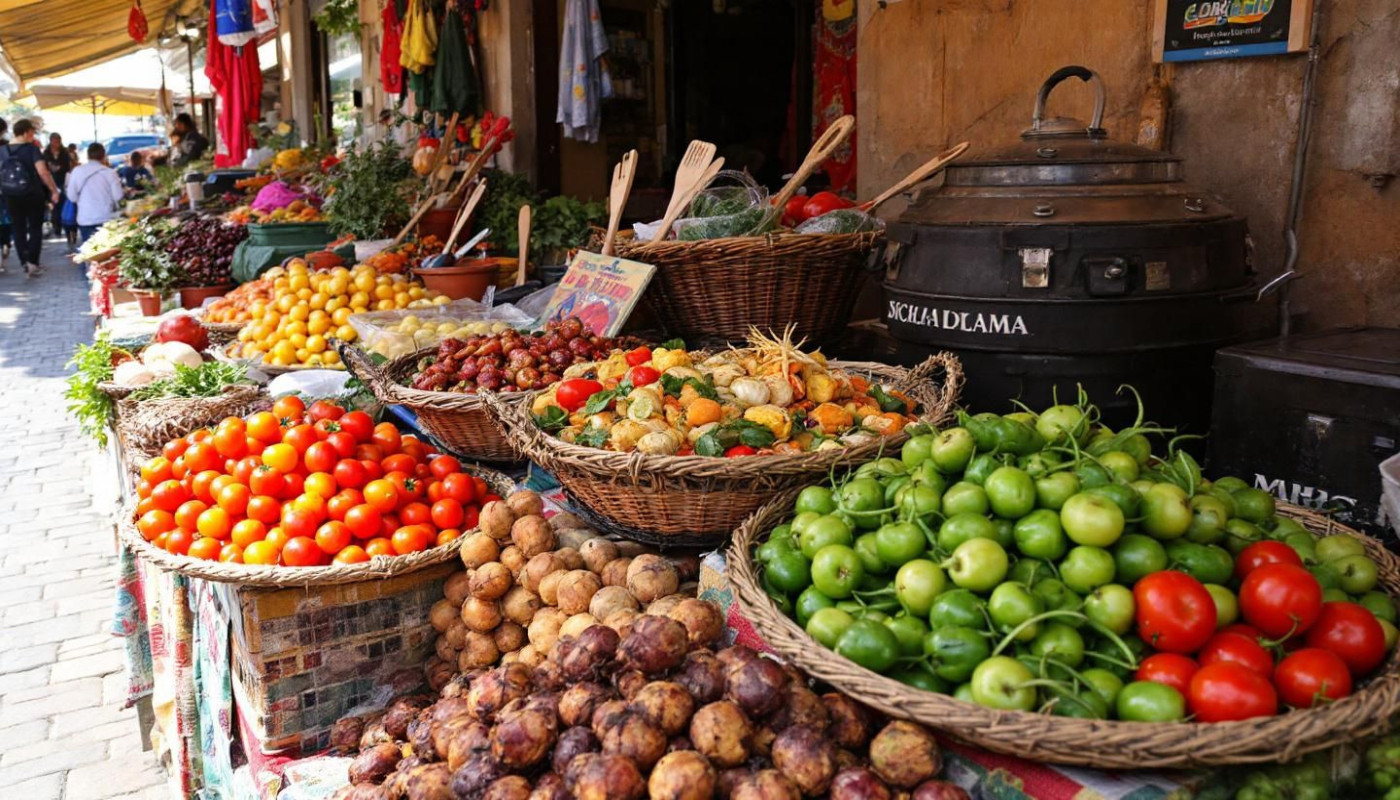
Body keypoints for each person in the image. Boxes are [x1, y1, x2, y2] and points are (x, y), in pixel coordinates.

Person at [0, 119, 61, 277]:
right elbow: (43, 172)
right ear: (26, 132)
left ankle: (24, 262)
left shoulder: (2, 150)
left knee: (17, 228)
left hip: (10, 194)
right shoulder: (32, 149)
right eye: (32, 132)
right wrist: (53, 190)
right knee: (35, 228)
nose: (33, 135)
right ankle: (32, 262)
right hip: (32, 194)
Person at [67, 143, 124, 247]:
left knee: (90, 251)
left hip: (85, 218)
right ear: (103, 155)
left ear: (88, 155)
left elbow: (71, 196)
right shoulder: (110, 173)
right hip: (106, 217)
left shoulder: (77, 171)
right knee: (107, 250)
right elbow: (118, 196)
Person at [43, 132, 73, 239]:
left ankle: (64, 226)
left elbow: (68, 166)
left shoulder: (64, 153)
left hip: (62, 181)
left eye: (58, 141)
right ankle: (57, 227)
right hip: (50, 182)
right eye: (54, 141)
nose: (56, 144)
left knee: (63, 204)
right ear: (51, 141)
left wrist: (60, 168)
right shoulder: (46, 153)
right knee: (54, 206)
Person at [0, 118, 10, 265]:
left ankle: (5, 244)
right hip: (6, 188)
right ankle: (5, 244)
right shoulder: (7, 147)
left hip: (5, 189)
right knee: (5, 219)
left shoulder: (7, 146)